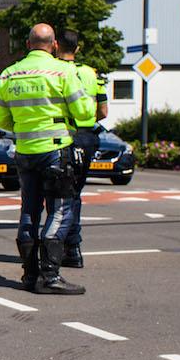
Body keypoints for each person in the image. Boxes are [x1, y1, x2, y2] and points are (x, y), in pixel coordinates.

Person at [0, 23, 95, 295]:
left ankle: (29, 275)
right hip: (56, 150)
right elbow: (85, 113)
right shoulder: (63, 71)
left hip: (25, 151)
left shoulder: (9, 74)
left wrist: (26, 128)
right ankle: (50, 276)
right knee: (61, 210)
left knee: (29, 210)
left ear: (28, 45)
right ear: (55, 46)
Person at [55, 28, 108, 268]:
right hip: (88, 138)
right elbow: (104, 112)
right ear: (77, 49)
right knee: (75, 193)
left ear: (56, 46)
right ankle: (73, 247)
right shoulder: (91, 74)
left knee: (61, 195)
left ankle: (68, 246)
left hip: (64, 136)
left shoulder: (54, 71)